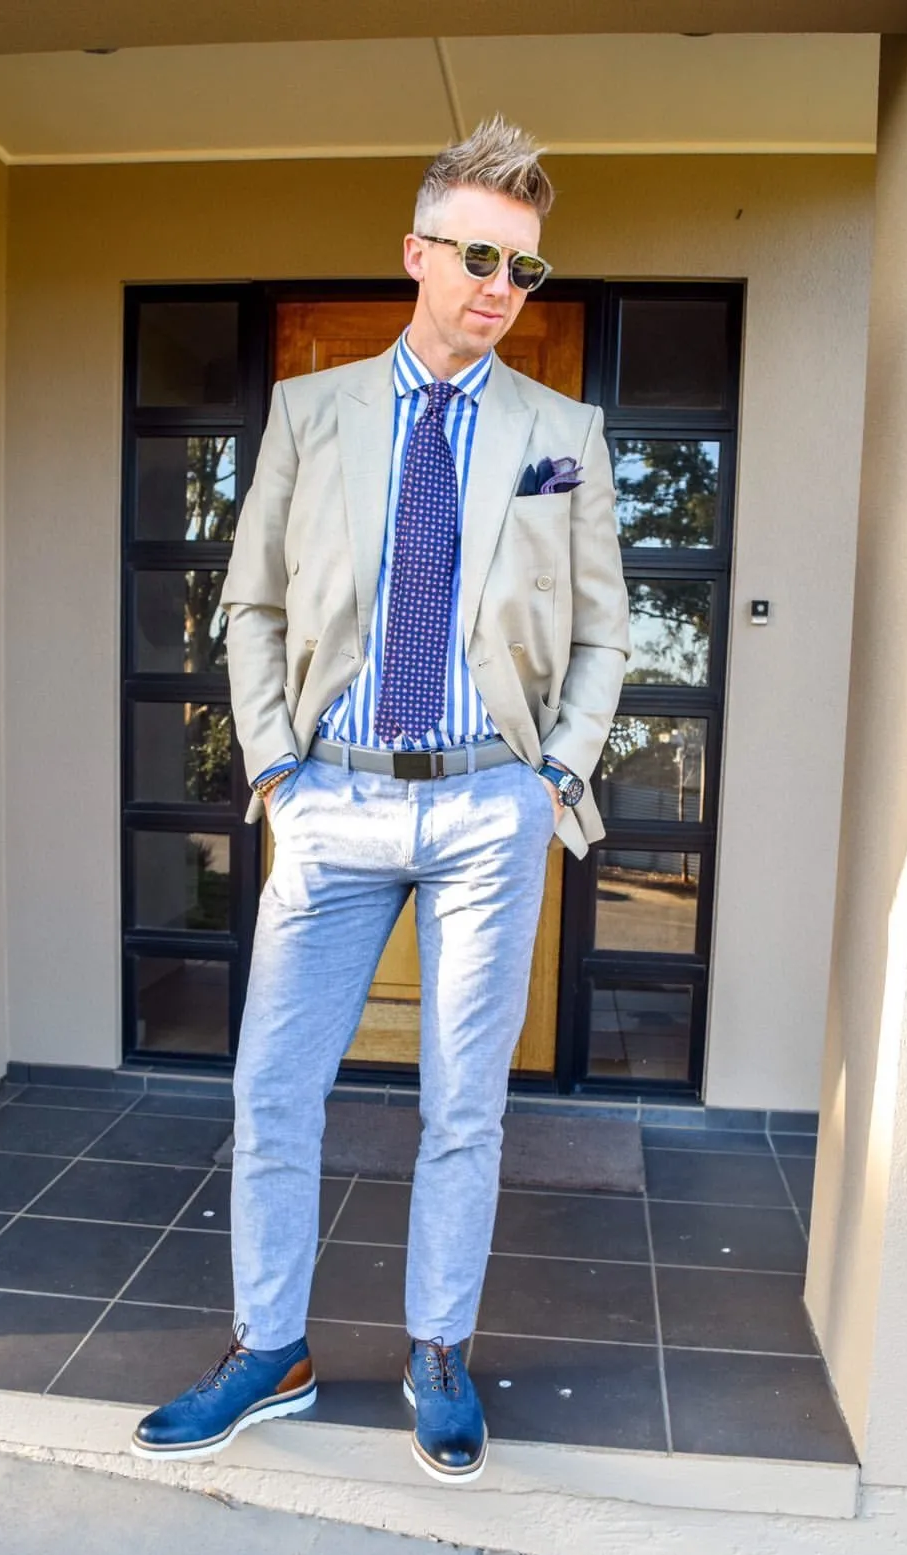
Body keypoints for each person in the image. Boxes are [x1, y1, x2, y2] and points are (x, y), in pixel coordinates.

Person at [133, 116, 630, 1483]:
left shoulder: (559, 434)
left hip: (489, 808)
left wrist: (555, 777)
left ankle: (438, 1352)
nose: (498, 287)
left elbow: (602, 629)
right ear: (417, 253)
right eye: (477, 255)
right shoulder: (316, 411)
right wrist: (279, 769)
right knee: (274, 1087)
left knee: (466, 1100)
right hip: (333, 801)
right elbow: (253, 601)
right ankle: (270, 1350)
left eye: (523, 270)